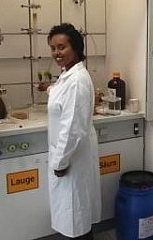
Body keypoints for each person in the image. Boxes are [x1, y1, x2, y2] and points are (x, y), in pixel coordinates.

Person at [45, 23, 101, 239]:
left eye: (61, 47)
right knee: (73, 215)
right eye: (53, 48)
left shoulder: (77, 80)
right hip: (70, 158)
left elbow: (72, 129)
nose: (56, 53)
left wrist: (60, 162)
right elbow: (61, 96)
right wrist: (49, 89)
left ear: (75, 48)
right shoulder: (67, 75)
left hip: (71, 161)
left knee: (75, 217)